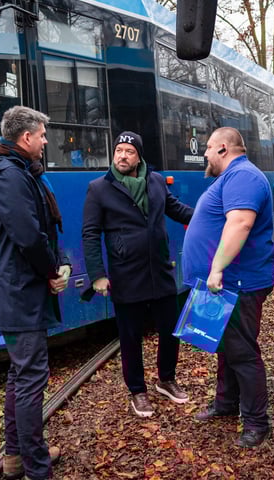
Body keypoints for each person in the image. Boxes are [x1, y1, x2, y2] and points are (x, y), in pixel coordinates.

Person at [0, 106, 68, 480]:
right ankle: (36, 467)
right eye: (43, 135)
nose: (47, 141)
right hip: (19, 290)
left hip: (20, 287)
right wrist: (50, 271)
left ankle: (16, 458)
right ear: (26, 137)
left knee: (21, 376)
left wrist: (55, 261)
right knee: (31, 378)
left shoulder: (20, 173)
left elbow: (42, 228)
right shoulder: (9, 176)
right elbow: (28, 235)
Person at [82, 131, 194, 417]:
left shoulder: (155, 181)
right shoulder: (99, 188)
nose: (122, 155)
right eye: (118, 150)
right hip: (125, 273)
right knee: (130, 337)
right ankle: (138, 391)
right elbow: (90, 233)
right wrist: (97, 274)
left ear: (138, 156)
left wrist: (210, 215)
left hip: (159, 269)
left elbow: (177, 209)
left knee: (171, 329)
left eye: (128, 152)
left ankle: (166, 380)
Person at [182, 127, 274, 448]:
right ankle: (226, 404)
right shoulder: (234, 177)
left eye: (208, 148)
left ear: (223, 148)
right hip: (229, 282)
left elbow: (240, 223)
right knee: (226, 348)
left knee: (242, 353)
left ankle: (256, 423)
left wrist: (217, 267)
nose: (204, 154)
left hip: (237, 282)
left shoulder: (243, 177)